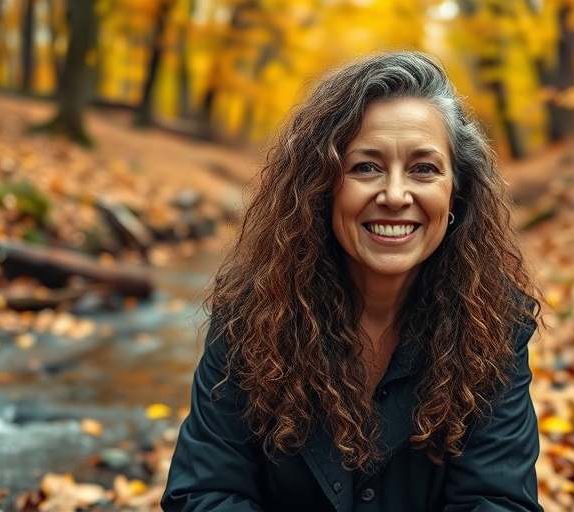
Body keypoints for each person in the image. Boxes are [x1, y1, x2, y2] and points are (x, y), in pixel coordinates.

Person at [161, 51, 543, 512]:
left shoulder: (496, 329)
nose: (396, 195)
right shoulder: (249, 316)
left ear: (456, 191)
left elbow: (497, 501)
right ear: (322, 187)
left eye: (424, 169)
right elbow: (203, 493)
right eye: (365, 167)